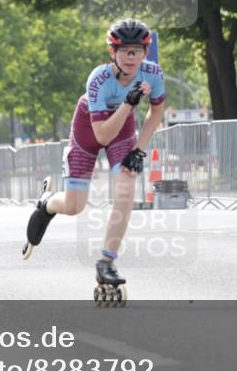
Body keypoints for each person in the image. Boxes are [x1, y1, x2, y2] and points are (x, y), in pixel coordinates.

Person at [24, 18, 165, 306]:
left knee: (126, 187)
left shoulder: (152, 73)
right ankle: (49, 202)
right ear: (113, 52)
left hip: (123, 130)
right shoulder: (98, 79)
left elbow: (156, 113)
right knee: (75, 206)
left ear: (145, 52)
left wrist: (139, 149)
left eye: (137, 51)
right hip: (89, 130)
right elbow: (101, 134)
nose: (131, 57)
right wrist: (128, 101)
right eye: (124, 50)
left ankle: (106, 262)